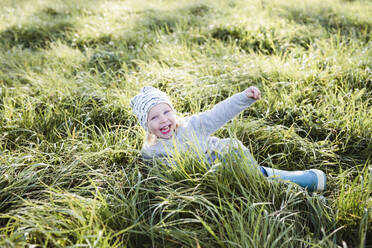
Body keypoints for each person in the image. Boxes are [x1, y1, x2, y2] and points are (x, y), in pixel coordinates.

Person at [130, 86, 326, 191]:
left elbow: (219, 113)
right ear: (146, 125)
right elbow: (159, 179)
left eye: (166, 112)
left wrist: (244, 97)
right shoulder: (150, 152)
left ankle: (304, 181)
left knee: (256, 181)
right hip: (209, 183)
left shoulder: (192, 126)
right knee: (248, 186)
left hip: (230, 161)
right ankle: (300, 180)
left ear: (173, 112)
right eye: (154, 117)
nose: (163, 119)